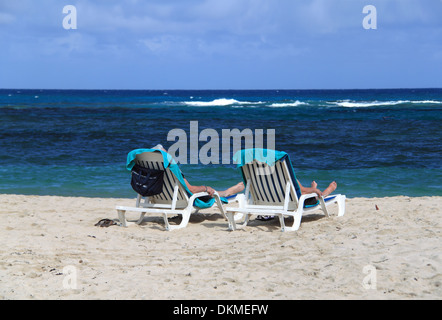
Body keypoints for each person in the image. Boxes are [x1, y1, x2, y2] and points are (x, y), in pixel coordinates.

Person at [151, 144, 245, 198]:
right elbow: (192, 190)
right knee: (212, 193)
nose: (168, 152)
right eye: (166, 152)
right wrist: (206, 188)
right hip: (182, 198)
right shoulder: (172, 169)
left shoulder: (149, 171)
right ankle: (227, 192)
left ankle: (226, 192)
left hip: (163, 197)